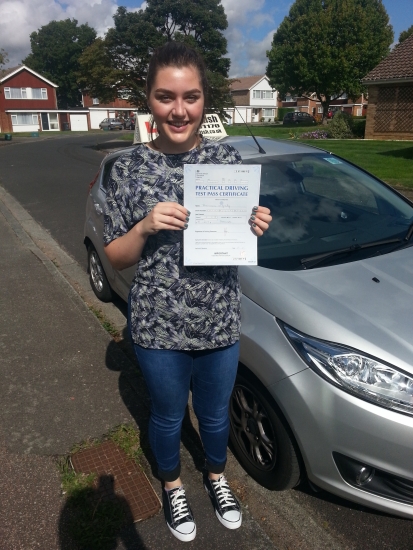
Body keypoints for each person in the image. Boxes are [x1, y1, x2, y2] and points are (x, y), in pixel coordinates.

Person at [103, 41, 272, 543]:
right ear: (149, 99)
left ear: (204, 100)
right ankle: (173, 484)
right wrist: (145, 225)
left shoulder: (226, 160)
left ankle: (217, 478)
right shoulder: (127, 168)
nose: (179, 110)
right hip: (158, 325)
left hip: (219, 318)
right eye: (165, 97)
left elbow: (239, 230)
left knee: (217, 414)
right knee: (169, 414)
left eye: (191, 97)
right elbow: (114, 256)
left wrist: (256, 223)